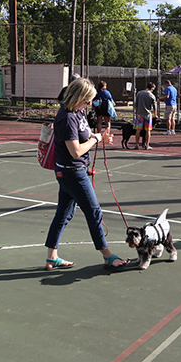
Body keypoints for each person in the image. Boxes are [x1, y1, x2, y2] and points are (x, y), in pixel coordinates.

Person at [43, 77, 127, 270]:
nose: (89, 104)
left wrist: (100, 137)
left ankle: (51, 257)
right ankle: (107, 255)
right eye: (87, 100)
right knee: (94, 211)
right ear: (78, 97)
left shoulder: (78, 113)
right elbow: (76, 151)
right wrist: (96, 139)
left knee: (64, 213)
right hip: (72, 172)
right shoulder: (66, 117)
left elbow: (86, 135)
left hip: (73, 171)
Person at [134, 82, 156, 149]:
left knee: (138, 129)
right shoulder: (152, 96)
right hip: (147, 114)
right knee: (148, 130)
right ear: (152, 88)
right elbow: (155, 107)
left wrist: (136, 112)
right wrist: (155, 115)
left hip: (139, 113)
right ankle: (147, 145)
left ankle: (137, 145)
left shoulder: (139, 93)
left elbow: (136, 104)